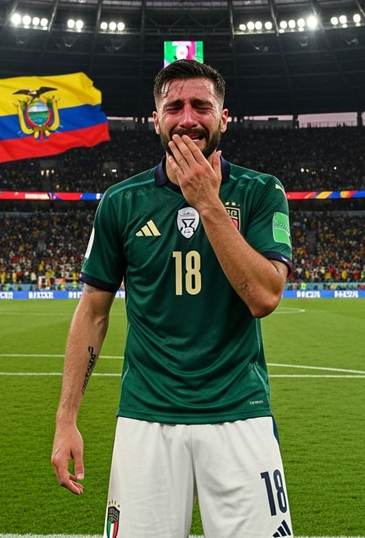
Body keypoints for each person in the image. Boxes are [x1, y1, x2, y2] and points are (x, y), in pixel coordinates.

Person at [51, 58, 294, 537]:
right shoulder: (122, 201)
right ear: (156, 120)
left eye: (201, 106)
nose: (188, 118)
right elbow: (93, 312)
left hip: (239, 412)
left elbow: (265, 296)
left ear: (223, 118)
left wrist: (206, 201)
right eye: (174, 107)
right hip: (146, 418)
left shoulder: (263, 192)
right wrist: (66, 419)